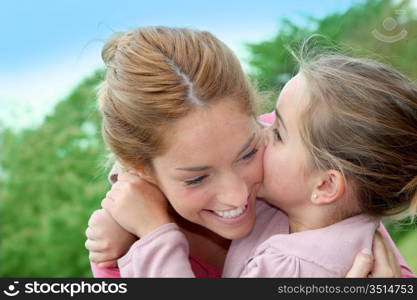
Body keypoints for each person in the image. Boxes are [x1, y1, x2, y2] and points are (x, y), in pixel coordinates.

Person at [85, 26, 412, 277]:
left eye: (246, 154)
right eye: (197, 178)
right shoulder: (293, 159)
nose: (237, 195)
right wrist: (131, 218)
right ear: (142, 169)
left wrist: (155, 235)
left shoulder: (310, 153)